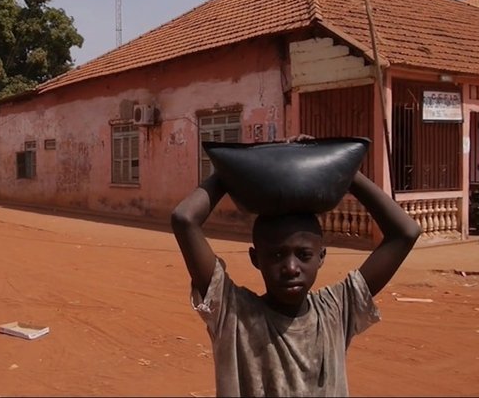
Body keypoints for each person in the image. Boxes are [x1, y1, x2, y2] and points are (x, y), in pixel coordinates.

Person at [171, 137, 422, 397]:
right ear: (256, 259)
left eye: (303, 255)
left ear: (321, 257)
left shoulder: (335, 311)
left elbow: (406, 232)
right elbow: (184, 219)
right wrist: (229, 172)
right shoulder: (233, 314)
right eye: (277, 255)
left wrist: (344, 172)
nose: (291, 267)